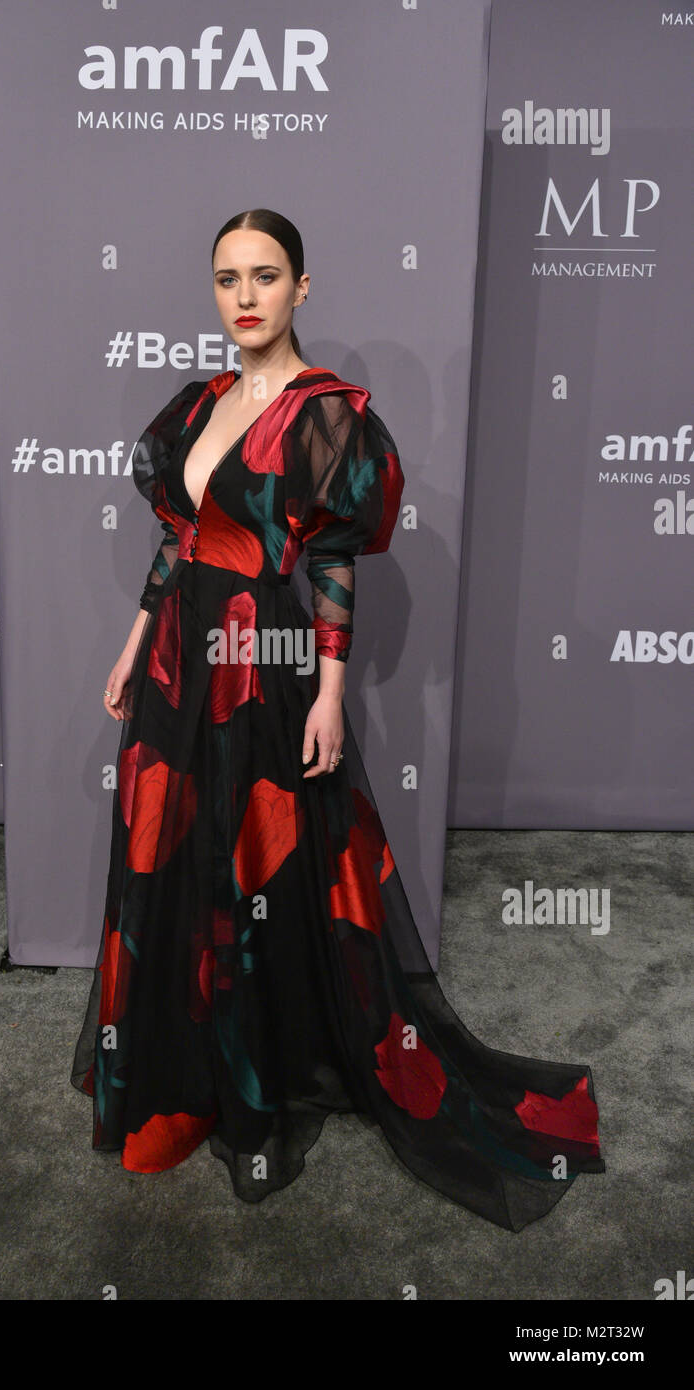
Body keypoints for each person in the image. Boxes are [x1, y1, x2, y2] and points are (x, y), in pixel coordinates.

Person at [71, 208, 605, 1231]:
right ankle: (180, 1072)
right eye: (228, 278)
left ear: (301, 288)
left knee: (256, 861)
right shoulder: (198, 405)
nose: (245, 297)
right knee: (169, 852)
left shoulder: (329, 414)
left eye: (266, 276)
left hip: (265, 665)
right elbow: (180, 543)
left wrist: (326, 689)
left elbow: (329, 561)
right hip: (182, 661)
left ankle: (260, 1073)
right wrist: (134, 645)